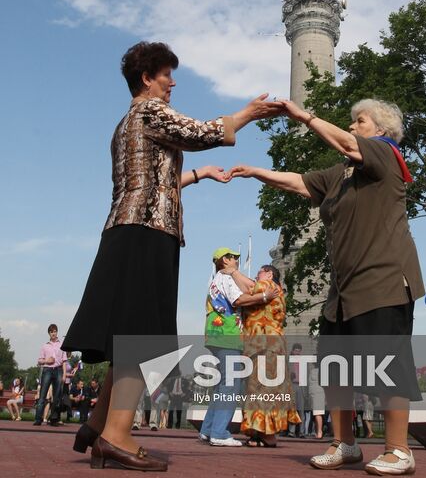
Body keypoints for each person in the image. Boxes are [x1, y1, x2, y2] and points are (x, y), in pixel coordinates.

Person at [61, 40, 282, 472]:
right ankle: (116, 437)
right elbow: (201, 133)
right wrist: (248, 114)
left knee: (128, 329)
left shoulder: (125, 124)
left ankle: (96, 422)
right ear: (147, 78)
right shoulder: (150, 111)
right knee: (142, 338)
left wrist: (197, 176)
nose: (172, 82)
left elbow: (156, 181)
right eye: (166, 75)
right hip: (148, 232)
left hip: (126, 229)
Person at [228, 97, 424, 476]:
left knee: (388, 364)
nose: (352, 127)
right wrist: (255, 172)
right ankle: (344, 443)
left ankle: (399, 450)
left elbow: (348, 144)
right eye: (351, 122)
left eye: (360, 121)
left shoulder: (385, 155)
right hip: (343, 290)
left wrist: (302, 115)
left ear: (381, 131)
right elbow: (301, 183)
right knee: (335, 370)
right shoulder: (342, 174)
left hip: (382, 280)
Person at [200, 248, 279, 446]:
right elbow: (240, 299)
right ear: (224, 260)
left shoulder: (220, 278)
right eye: (233, 257)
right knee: (230, 385)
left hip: (217, 334)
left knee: (221, 385)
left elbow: (249, 288)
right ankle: (219, 433)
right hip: (229, 334)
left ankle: (208, 429)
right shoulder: (225, 278)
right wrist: (264, 297)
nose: (236, 260)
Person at [239, 264, 301, 447]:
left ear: (269, 273)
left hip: (264, 345)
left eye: (260, 272)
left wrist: (232, 272)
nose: (257, 275)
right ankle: (260, 431)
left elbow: (243, 295)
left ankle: (266, 433)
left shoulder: (268, 286)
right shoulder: (276, 289)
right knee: (266, 388)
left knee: (261, 387)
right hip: (270, 345)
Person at [34, 324, 67, 426]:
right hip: (47, 370)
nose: (53, 333)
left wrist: (64, 374)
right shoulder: (45, 346)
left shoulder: (61, 345)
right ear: (49, 333)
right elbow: (39, 361)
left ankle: (53, 419)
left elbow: (64, 361)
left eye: (55, 331)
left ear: (57, 332)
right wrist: (46, 361)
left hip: (58, 370)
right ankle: (38, 419)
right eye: (51, 332)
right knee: (43, 395)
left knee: (56, 396)